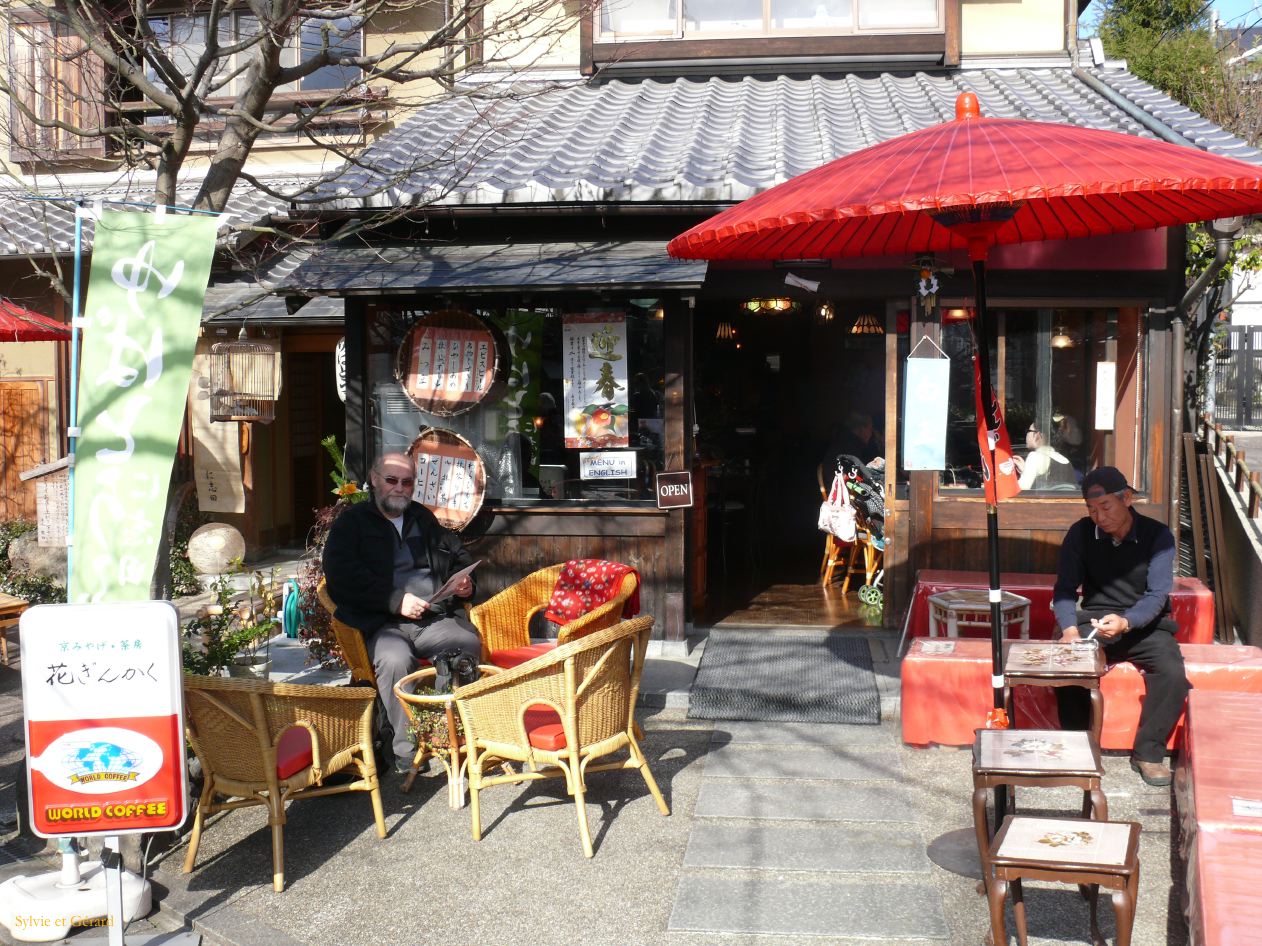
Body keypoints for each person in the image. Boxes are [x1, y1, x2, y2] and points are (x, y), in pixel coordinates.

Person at [323, 451, 481, 770]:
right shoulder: (351, 524)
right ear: (373, 479)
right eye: (391, 480)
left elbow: (459, 558)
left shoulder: (422, 518)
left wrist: (466, 583)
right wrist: (394, 600)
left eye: (407, 482)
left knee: (468, 643)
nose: (399, 488)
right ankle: (407, 749)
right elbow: (341, 578)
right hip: (382, 623)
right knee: (394, 660)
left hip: (431, 618)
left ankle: (445, 729)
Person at [1052, 466, 1189, 787]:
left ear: (1127, 498)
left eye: (1105, 507)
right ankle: (1077, 746)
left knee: (1173, 674)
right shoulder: (1080, 533)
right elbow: (1064, 589)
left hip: (1144, 622)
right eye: (1091, 509)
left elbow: (1157, 595)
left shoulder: (1158, 536)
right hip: (1096, 618)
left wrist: (1128, 622)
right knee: (1070, 662)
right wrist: (1069, 628)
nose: (1098, 517)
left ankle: (1149, 753)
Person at [1014, 426, 1076, 491]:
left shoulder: (1035, 456)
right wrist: (1025, 471)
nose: (1026, 434)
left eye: (1028, 431)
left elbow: (1021, 489)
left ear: (1037, 435)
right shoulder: (1065, 460)